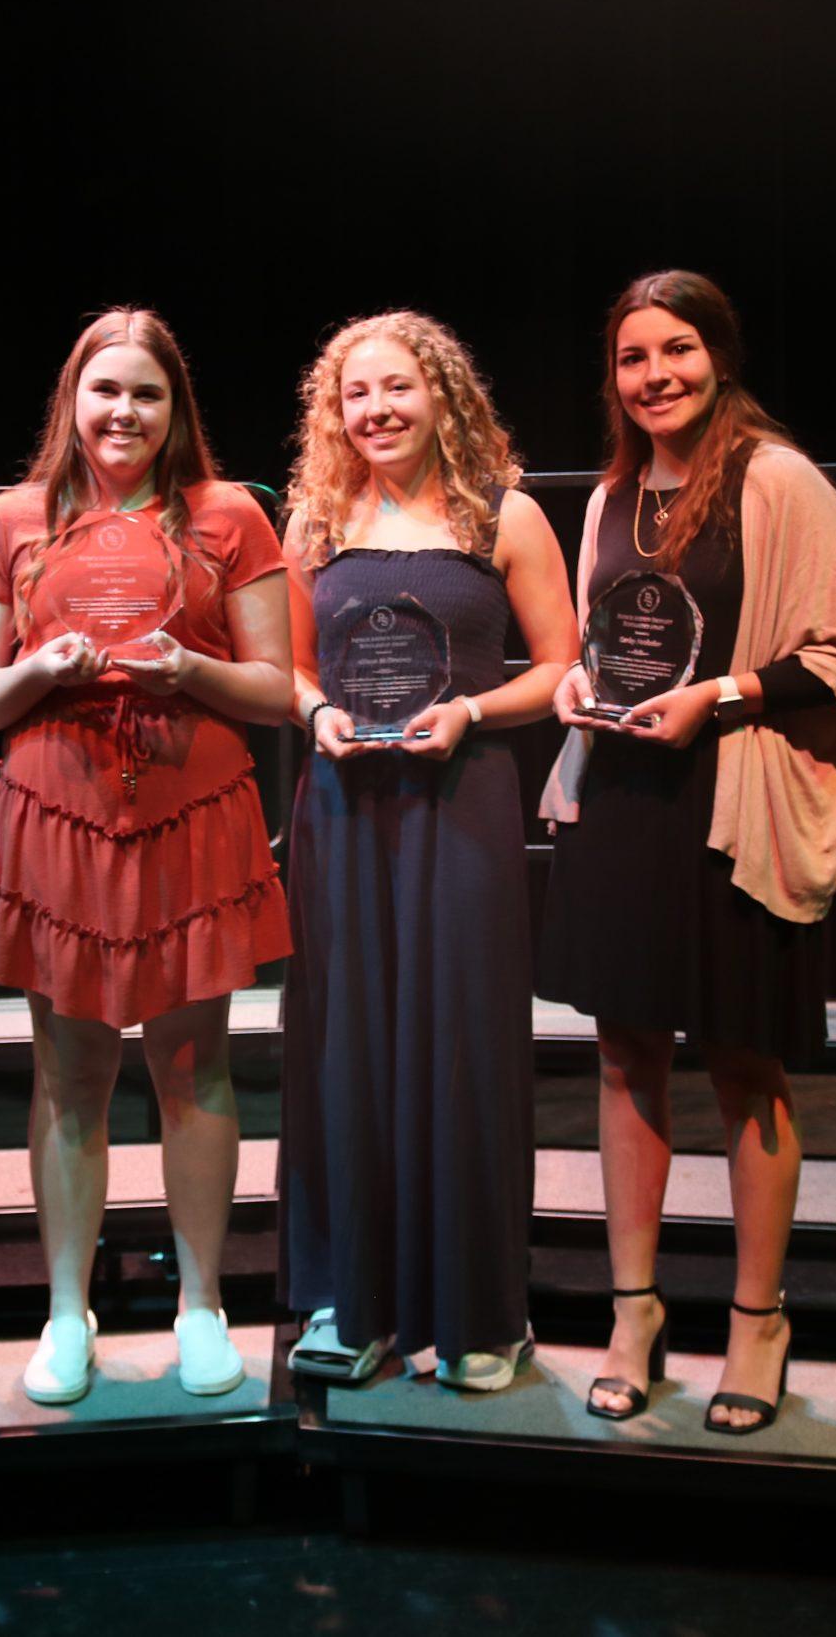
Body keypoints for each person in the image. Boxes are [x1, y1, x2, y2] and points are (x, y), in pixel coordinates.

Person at [537, 270, 836, 1434]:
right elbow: (599, 639)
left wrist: (724, 697)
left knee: (745, 1066)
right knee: (625, 1057)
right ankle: (632, 1312)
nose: (656, 376)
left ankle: (757, 1323)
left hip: (727, 806)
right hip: (627, 797)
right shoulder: (609, 499)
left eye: (677, 350)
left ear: (720, 357)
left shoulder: (776, 481)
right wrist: (587, 683)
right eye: (634, 358)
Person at [0, 308, 292, 1404]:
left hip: (191, 810)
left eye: (147, 394)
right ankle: (67, 1308)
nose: (124, 413)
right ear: (71, 400)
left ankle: (203, 1304)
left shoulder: (231, 515)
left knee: (195, 1068)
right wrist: (44, 668)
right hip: (56, 811)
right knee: (70, 1076)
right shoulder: (3, 520)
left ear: (174, 409)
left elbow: (278, 688)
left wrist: (185, 672)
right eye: (105, 391)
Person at [276, 311, 578, 1392]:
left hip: (462, 797)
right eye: (356, 393)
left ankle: (480, 1316)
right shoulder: (312, 521)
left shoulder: (506, 516)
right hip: (344, 808)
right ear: (335, 408)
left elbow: (561, 669)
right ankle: (353, 1305)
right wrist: (315, 719)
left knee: (464, 1043)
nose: (378, 410)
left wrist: (472, 715)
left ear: (442, 394)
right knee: (346, 1042)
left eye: (397, 387)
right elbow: (289, 669)